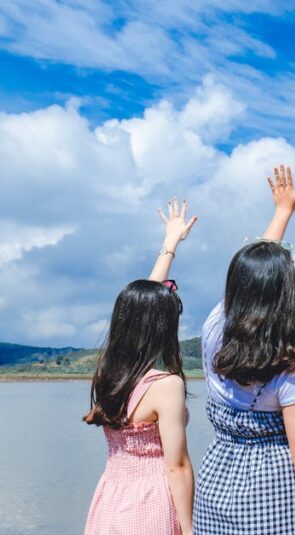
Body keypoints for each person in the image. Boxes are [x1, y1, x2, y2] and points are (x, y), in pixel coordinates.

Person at [192, 166, 295, 535]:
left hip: (217, 482)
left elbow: (254, 279)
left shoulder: (215, 326)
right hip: (274, 491)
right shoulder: (290, 364)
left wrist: (281, 212)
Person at [84, 198, 198, 535]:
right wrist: (190, 529)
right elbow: (177, 466)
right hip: (150, 504)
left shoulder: (112, 372)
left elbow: (142, 307)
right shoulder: (166, 385)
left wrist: (170, 245)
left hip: (110, 498)